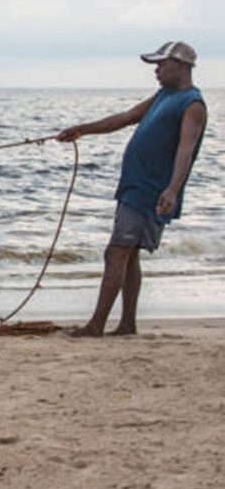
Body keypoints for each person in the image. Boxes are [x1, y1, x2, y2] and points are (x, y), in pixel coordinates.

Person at [57, 41, 206, 337]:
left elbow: (185, 151)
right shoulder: (164, 95)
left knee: (116, 252)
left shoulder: (193, 104)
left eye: (161, 64)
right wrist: (82, 129)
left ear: (181, 66)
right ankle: (127, 324)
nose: (157, 70)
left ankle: (96, 325)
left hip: (151, 190)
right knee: (129, 254)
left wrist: (173, 189)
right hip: (134, 185)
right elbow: (125, 118)